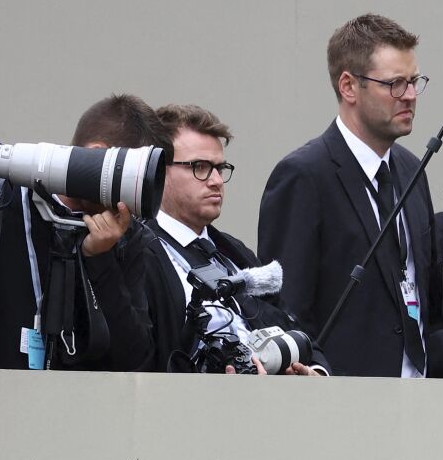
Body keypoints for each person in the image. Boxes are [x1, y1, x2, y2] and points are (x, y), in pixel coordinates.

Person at [259, 13, 443, 377]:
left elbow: (430, 298)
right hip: (343, 403)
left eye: (415, 81)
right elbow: (285, 310)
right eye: (395, 84)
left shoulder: (411, 169)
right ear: (349, 86)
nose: (411, 96)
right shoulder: (304, 176)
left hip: (419, 397)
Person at [0, 94, 157, 369]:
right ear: (96, 156)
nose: (134, 199)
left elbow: (135, 361)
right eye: (135, 179)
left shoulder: (128, 238)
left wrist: (100, 261)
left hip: (70, 407)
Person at [136, 103, 323, 375]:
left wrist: (313, 371)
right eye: (199, 167)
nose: (215, 181)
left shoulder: (234, 252)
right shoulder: (139, 251)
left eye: (219, 168)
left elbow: (293, 327)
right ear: (158, 172)